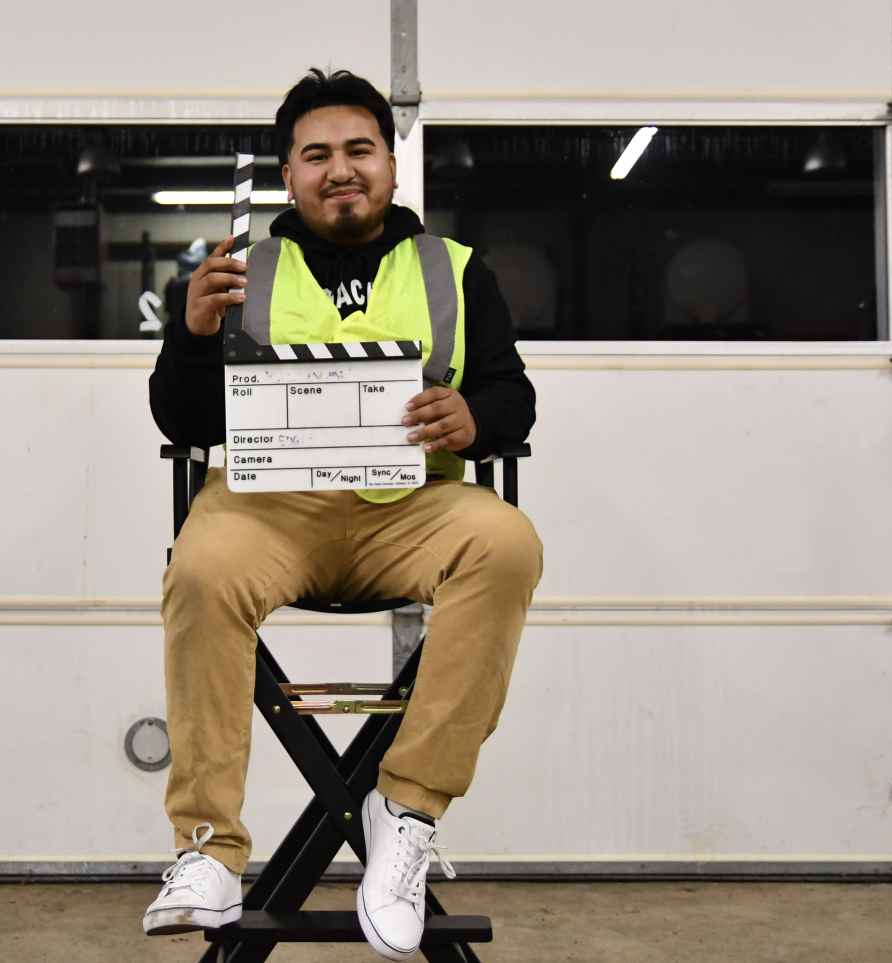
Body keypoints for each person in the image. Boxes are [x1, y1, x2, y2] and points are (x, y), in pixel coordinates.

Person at [143, 68, 544, 961]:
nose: (340, 169)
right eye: (316, 154)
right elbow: (182, 419)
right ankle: (208, 848)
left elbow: (513, 395)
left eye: (359, 150)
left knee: (508, 543)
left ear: (392, 168)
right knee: (200, 568)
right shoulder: (235, 270)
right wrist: (193, 338)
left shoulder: (455, 271)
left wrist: (477, 417)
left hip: (414, 503)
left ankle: (405, 808)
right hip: (266, 508)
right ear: (288, 176)